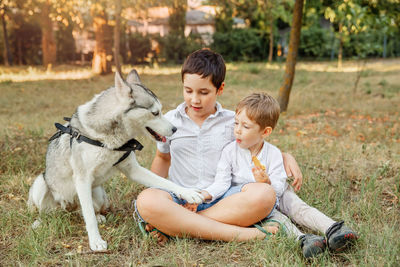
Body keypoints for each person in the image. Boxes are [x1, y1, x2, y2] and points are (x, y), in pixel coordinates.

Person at [134, 48, 298, 244]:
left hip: (223, 199)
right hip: (180, 197)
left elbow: (258, 143)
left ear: (220, 89)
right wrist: (156, 194)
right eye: (188, 90)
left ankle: (175, 226)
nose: (195, 99)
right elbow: (163, 158)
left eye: (204, 92)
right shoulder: (170, 121)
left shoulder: (232, 121)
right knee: (147, 200)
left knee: (264, 194)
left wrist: (286, 156)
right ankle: (248, 235)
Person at [200, 92, 358, 258]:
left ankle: (333, 229)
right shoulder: (229, 152)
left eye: (245, 127)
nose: (237, 131)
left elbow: (279, 185)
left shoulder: (273, 154)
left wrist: (267, 183)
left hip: (278, 192)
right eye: (236, 123)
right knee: (278, 218)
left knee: (297, 206)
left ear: (265, 132)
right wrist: (204, 195)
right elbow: (222, 183)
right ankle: (304, 240)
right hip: (252, 201)